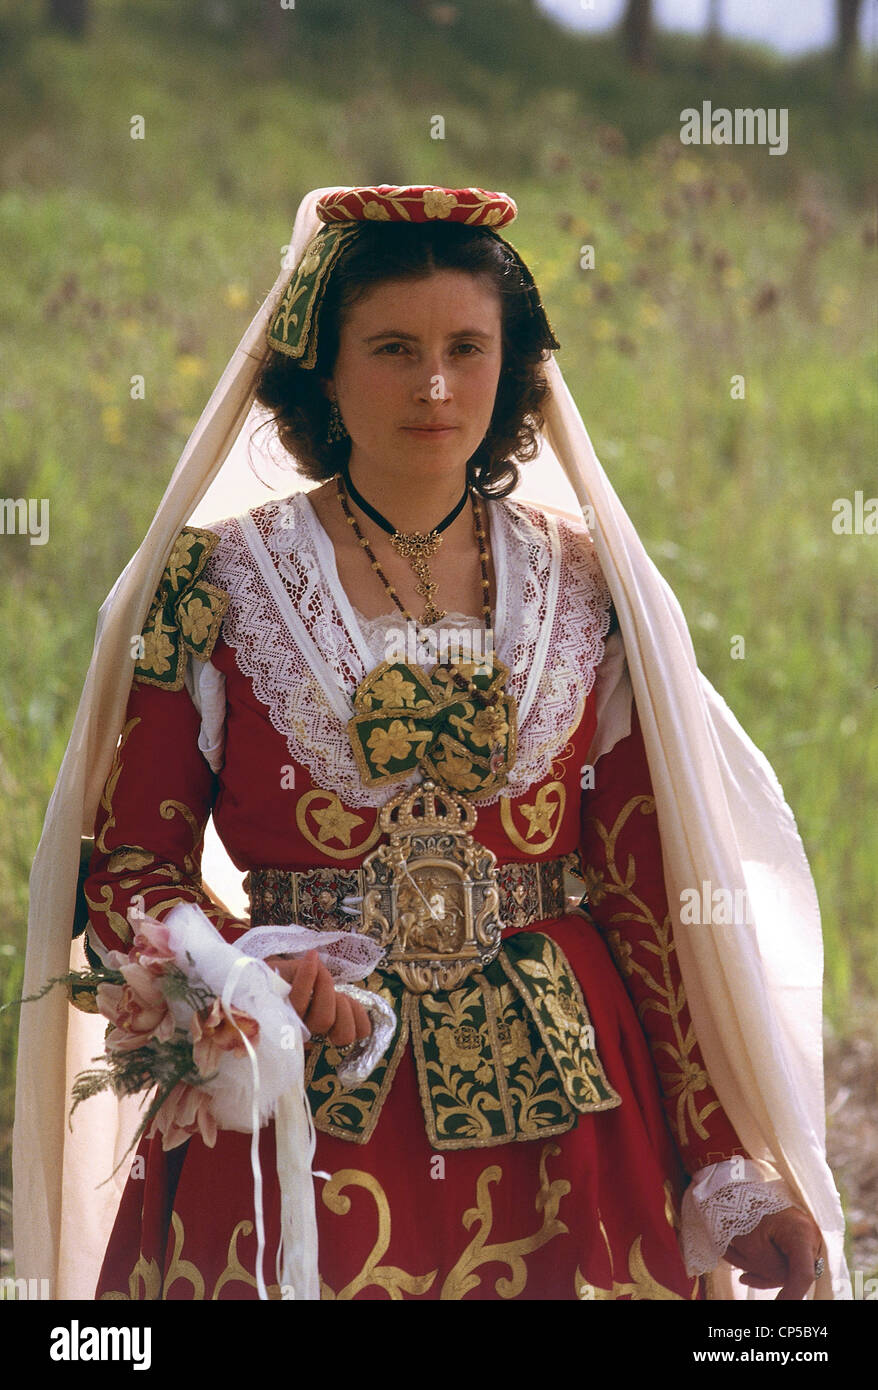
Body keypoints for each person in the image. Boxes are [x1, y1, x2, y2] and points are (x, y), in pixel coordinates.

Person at [14, 186, 846, 1301]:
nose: (436, 384)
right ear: (321, 368)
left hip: (572, 1114)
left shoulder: (588, 584)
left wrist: (723, 1165)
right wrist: (246, 973)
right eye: (393, 348)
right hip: (307, 1101)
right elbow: (125, 870)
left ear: (514, 369)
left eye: (466, 347)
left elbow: (650, 892)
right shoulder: (213, 583)